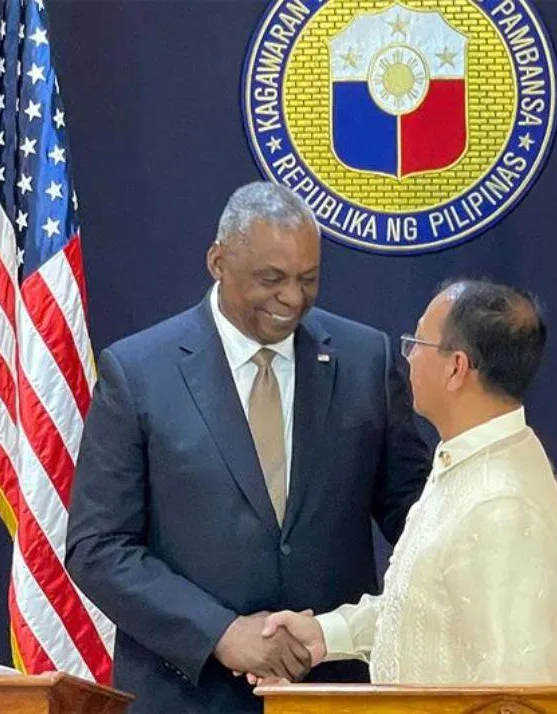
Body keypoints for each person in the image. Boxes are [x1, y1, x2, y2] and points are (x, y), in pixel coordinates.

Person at [66, 182, 431, 712]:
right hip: (188, 694)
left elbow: (415, 516)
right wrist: (219, 632)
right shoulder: (139, 372)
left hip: (330, 692)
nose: (292, 298)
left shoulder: (365, 360)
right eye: (271, 278)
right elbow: (98, 547)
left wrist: (478, 500)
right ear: (218, 261)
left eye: (308, 279)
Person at [260, 279, 557, 685]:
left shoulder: (501, 504)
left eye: (417, 344)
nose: (407, 358)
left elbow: (512, 691)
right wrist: (324, 633)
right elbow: (423, 611)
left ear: (456, 368)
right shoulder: (464, 462)